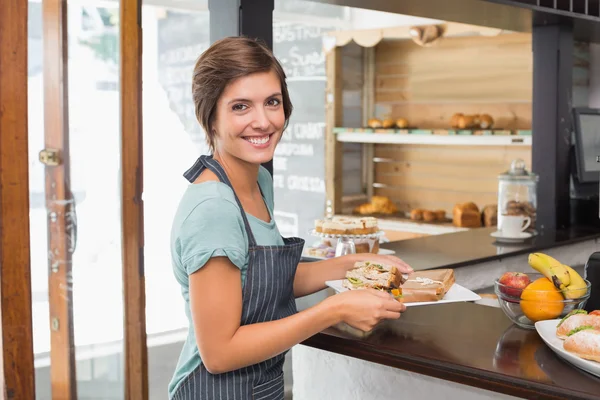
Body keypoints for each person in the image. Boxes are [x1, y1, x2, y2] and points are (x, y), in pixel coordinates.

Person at [168, 36, 413, 400]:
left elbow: (260, 281)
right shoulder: (214, 210)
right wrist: (335, 309)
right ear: (211, 117)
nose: (263, 121)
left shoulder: (256, 180)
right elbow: (219, 354)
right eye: (240, 107)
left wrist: (351, 264)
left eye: (272, 102)